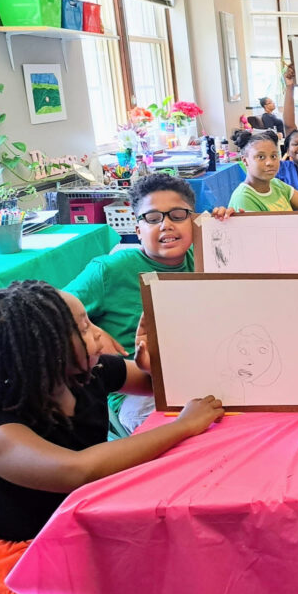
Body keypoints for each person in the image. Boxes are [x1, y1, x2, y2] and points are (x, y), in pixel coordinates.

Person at [0, 281, 224, 594]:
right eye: (83, 326)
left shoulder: (90, 372)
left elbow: (156, 385)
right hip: (27, 548)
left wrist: (153, 362)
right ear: (43, 352)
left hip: (83, 517)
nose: (99, 332)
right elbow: (77, 470)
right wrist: (182, 426)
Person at [64, 174, 234, 436]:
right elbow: (47, 310)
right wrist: (91, 330)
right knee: (197, 437)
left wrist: (237, 227)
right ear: (137, 230)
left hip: (205, 374)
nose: (166, 225)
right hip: (139, 388)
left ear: (196, 220)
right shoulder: (108, 270)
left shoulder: (208, 255)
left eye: (177, 215)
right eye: (152, 218)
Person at [228, 131, 298, 212]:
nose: (269, 163)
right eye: (261, 157)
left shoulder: (277, 184)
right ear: (245, 160)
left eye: (273, 156)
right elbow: (269, 231)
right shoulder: (244, 198)